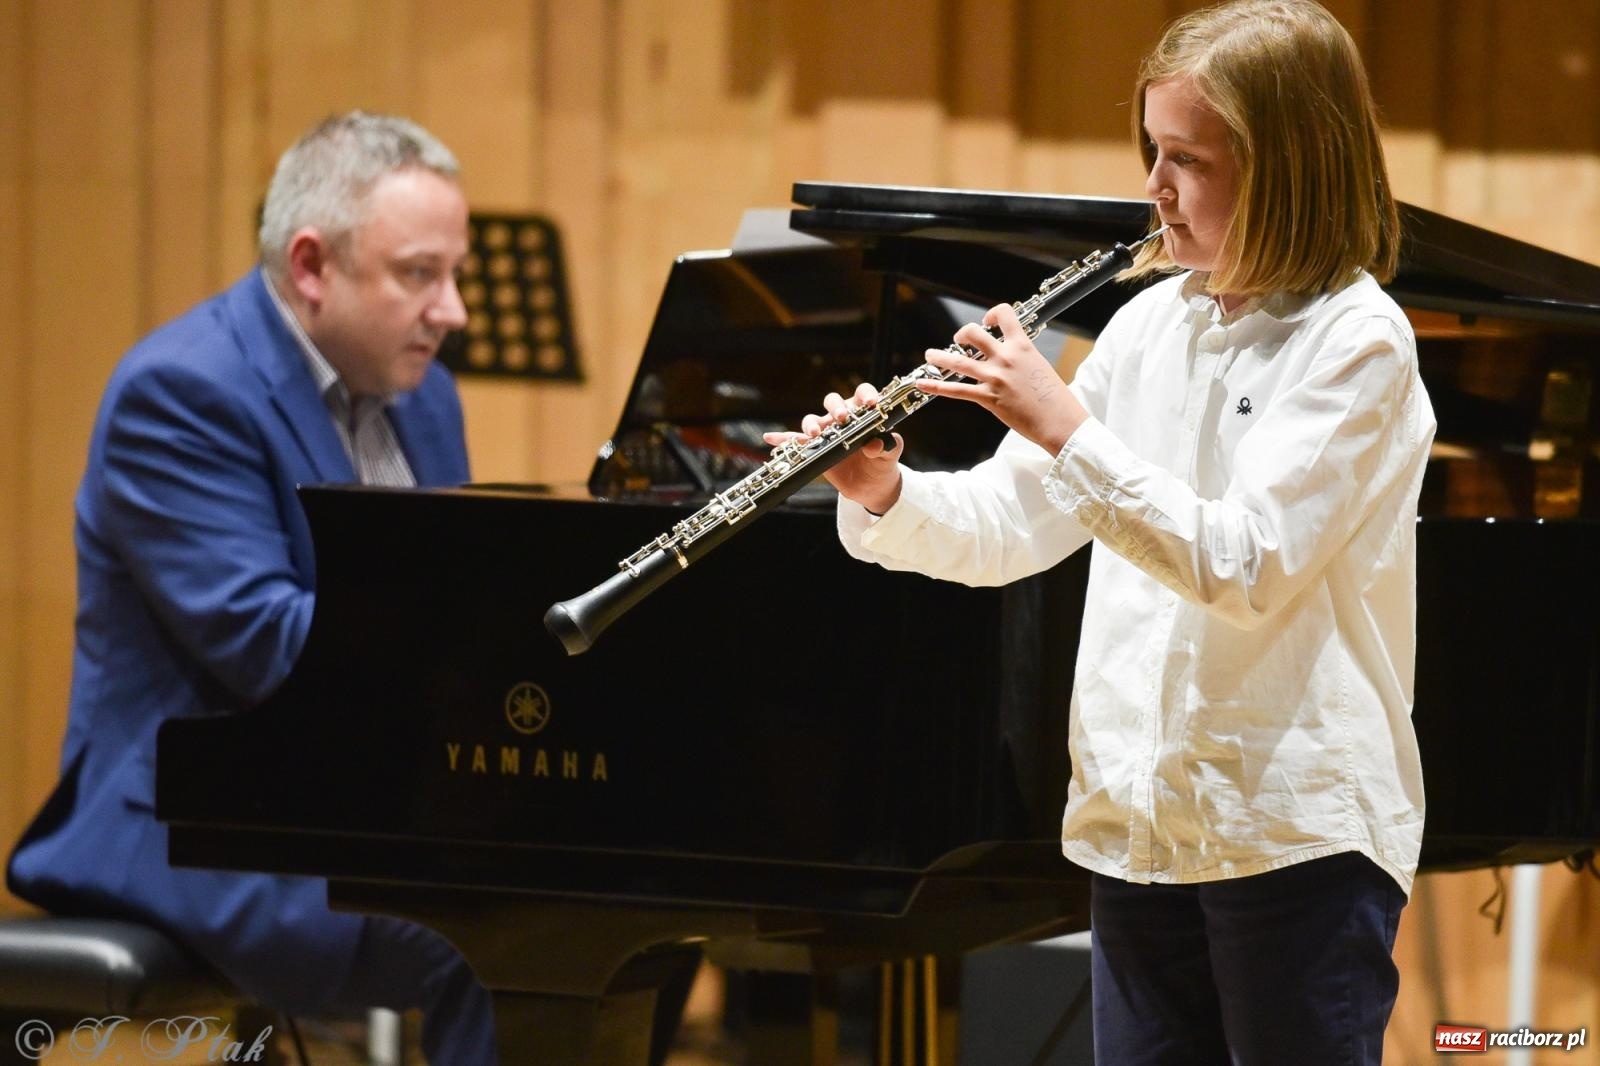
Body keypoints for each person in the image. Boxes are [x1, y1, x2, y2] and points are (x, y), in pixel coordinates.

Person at [768, 2, 1435, 1063]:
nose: (1153, 188)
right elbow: (1009, 526)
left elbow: (1244, 561)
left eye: (1186, 159)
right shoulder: (1145, 323)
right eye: (1149, 152)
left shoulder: (1357, 342)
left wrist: (1065, 424)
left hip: (1291, 837)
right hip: (1142, 828)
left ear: (1289, 166)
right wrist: (880, 488)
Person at [7, 111, 497, 1064]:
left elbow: (445, 591)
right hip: (196, 837)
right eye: (419, 275)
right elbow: (269, 645)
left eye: (457, 274)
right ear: (311, 267)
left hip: (340, 814)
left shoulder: (423, 391)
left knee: (635, 911)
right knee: (489, 945)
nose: (454, 312)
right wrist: (484, 653)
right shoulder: (183, 394)